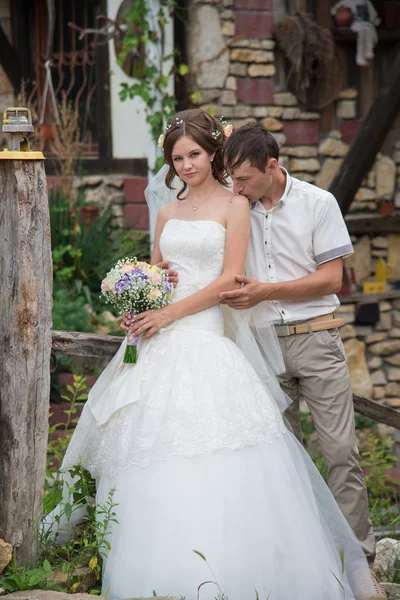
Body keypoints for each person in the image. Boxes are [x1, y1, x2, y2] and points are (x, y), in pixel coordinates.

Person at [55, 109, 381, 600]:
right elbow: (163, 272)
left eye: (194, 155)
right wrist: (141, 301)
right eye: (177, 158)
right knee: (148, 452)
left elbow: (230, 279)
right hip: (163, 343)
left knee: (289, 453)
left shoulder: (237, 206)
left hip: (216, 338)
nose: (185, 165)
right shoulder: (165, 213)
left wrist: (170, 314)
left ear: (213, 156)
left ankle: (345, 563)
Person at [219, 123, 380, 577]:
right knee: (281, 459)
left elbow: (332, 280)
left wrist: (267, 291)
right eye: (232, 178)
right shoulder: (236, 206)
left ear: (272, 166)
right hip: (262, 344)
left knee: (340, 452)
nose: (237, 187)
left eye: (245, 179)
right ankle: (302, 560)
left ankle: (358, 561)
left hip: (317, 338)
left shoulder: (318, 203)